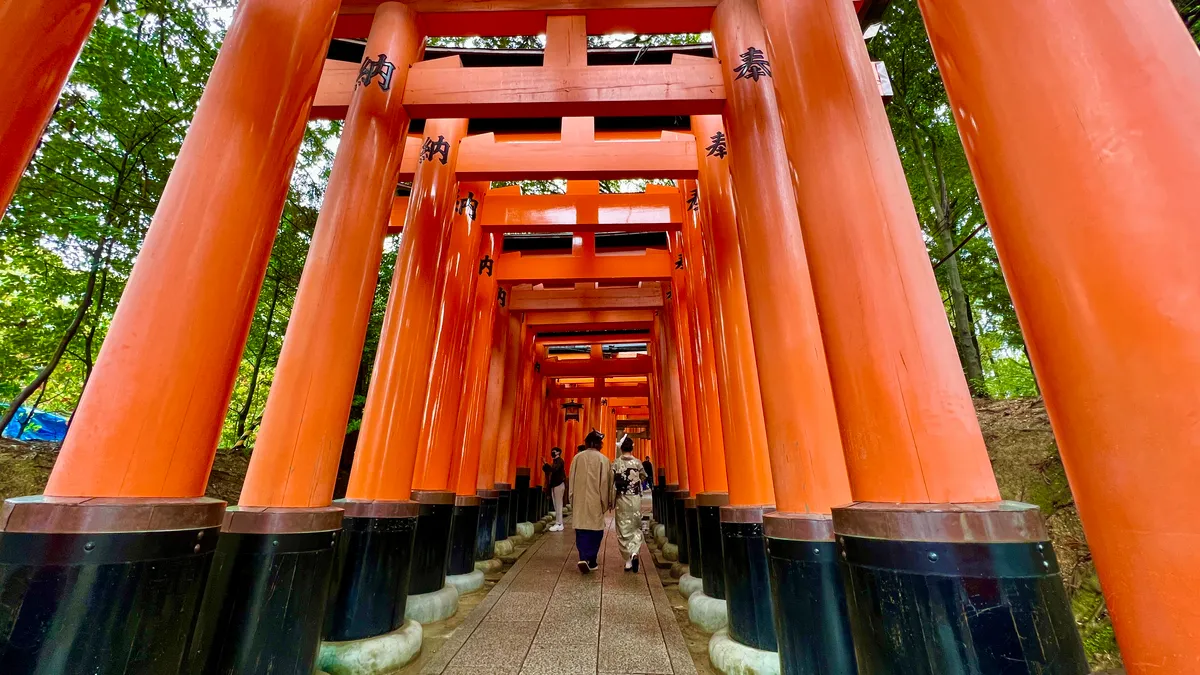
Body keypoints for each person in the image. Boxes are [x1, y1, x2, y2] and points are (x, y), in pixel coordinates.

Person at [568, 429, 612, 574]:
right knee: (595, 531)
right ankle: (591, 559)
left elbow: (571, 480)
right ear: (600, 444)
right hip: (595, 500)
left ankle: (583, 557)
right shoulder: (603, 460)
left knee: (581, 530)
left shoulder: (577, 458)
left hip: (580, 499)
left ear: (586, 443)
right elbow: (605, 483)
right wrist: (606, 503)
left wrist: (572, 498)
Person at [613, 435, 648, 572]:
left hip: (622, 498)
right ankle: (634, 552)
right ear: (632, 448)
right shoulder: (638, 463)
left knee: (622, 528)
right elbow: (644, 476)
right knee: (635, 526)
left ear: (621, 448)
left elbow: (611, 480)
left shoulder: (616, 463)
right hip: (635, 498)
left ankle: (627, 560)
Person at [543, 447, 567, 532]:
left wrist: (546, 464)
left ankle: (559, 523)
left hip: (559, 484)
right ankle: (558, 523)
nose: (552, 452)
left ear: (558, 453)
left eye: (554, 451)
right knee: (556, 504)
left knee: (558, 504)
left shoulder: (560, 461)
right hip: (555, 485)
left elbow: (553, 470)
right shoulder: (555, 461)